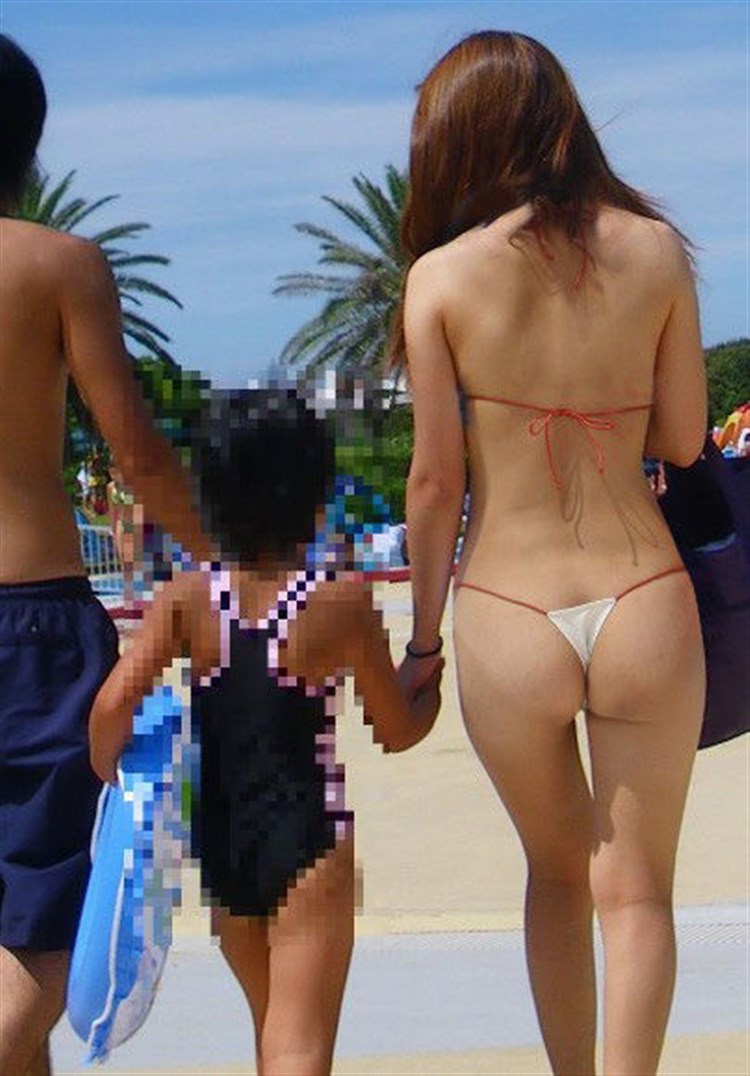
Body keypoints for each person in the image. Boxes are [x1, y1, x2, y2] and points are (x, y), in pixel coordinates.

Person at [393, 31, 706, 1076]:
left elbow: (434, 484)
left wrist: (423, 644)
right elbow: (684, 438)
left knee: (557, 875)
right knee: (639, 892)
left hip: (507, 606)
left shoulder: (439, 280)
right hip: (644, 591)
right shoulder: (654, 250)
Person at [88, 388, 442, 1076]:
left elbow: (110, 708)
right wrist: (425, 686)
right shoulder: (337, 599)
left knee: (272, 1032)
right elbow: (395, 730)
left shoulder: (188, 598)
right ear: (314, 491)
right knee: (298, 1046)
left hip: (223, 844)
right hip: (307, 840)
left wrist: (118, 784)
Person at [0, 34, 210, 1076]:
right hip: (29, 620)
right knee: (42, 935)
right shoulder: (56, 264)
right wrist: (219, 557)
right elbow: (133, 448)